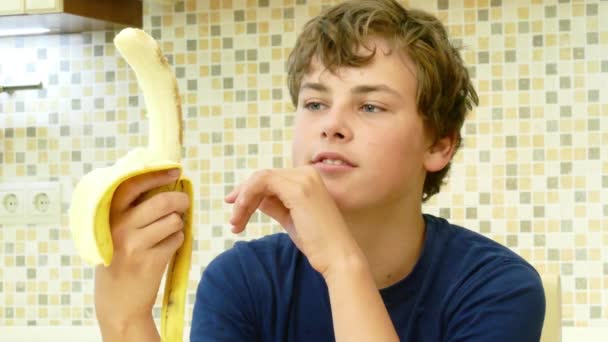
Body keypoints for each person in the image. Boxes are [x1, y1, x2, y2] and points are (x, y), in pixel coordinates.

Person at [94, 0, 546, 341]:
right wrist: (127, 319)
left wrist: (341, 263)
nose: (331, 125)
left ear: (439, 144)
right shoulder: (243, 281)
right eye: (315, 103)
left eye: (370, 105)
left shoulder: (497, 289)